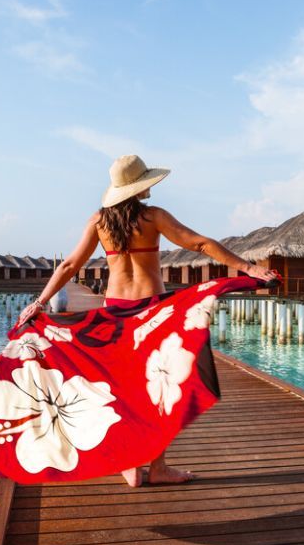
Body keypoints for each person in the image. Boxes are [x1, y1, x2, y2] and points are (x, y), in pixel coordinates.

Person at [16, 154, 277, 487]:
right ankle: (157, 467)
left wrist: (40, 302)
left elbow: (69, 266)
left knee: (122, 389)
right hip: (152, 312)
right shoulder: (153, 217)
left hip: (115, 311)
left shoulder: (99, 221)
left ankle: (129, 464)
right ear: (137, 187)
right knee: (159, 388)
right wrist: (249, 268)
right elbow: (200, 243)